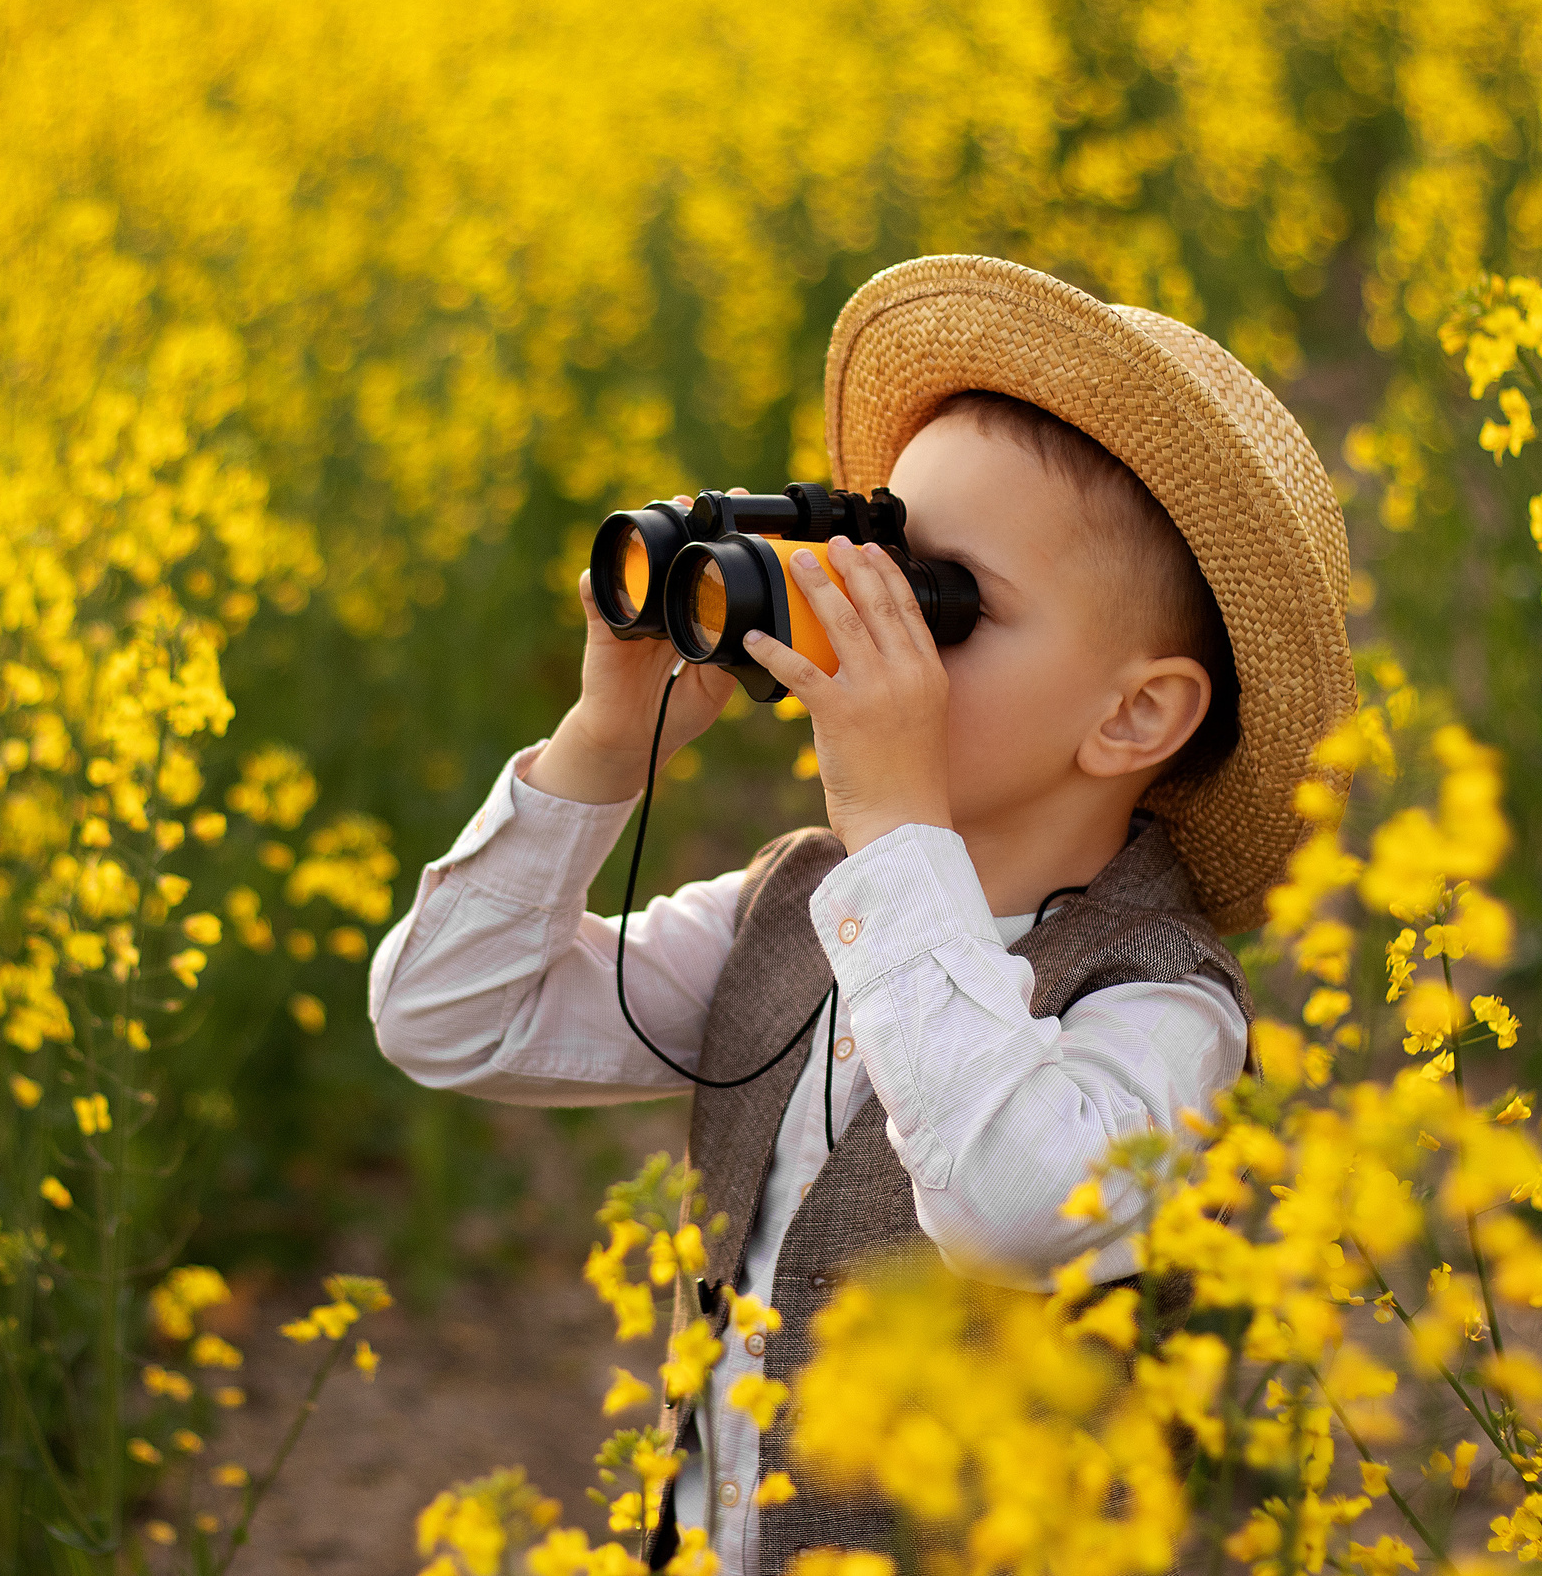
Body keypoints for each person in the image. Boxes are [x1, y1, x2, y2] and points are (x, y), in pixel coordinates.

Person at [367, 255, 1355, 1573]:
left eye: (943, 605)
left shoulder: (1160, 1009)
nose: (863, 624)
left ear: (1133, 715)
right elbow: (451, 1020)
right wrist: (608, 741)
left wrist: (895, 822)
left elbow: (1012, 1202)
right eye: (870, 556)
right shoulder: (794, 908)